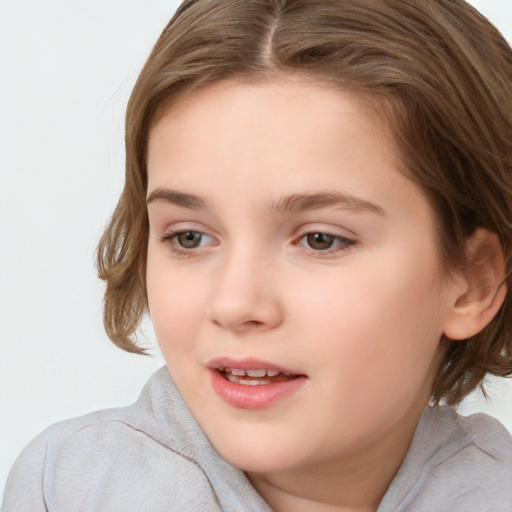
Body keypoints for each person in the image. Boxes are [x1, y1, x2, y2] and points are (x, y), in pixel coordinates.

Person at [3, 0, 512, 510]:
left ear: (472, 282)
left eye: (320, 239)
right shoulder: (70, 488)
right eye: (190, 237)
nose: (235, 303)